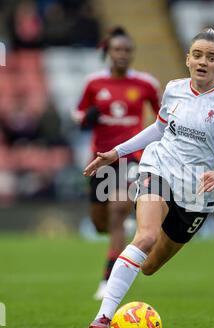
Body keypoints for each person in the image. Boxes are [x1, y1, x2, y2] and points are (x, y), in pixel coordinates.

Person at [83, 28, 214, 328]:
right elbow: (157, 129)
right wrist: (115, 152)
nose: (202, 61)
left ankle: (120, 287)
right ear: (188, 59)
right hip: (159, 167)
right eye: (197, 55)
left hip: (197, 191)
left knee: (150, 266)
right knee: (146, 237)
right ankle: (103, 317)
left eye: (211, 57)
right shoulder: (174, 89)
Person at [74, 27, 161, 300]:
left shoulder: (146, 84)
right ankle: (120, 227)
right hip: (100, 160)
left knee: (118, 209)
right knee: (100, 223)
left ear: (132, 53)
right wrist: (87, 117)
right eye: (117, 50)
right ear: (108, 53)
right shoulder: (94, 83)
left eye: (126, 50)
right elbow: (78, 115)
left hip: (131, 157)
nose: (122, 55)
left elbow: (163, 119)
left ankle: (108, 278)